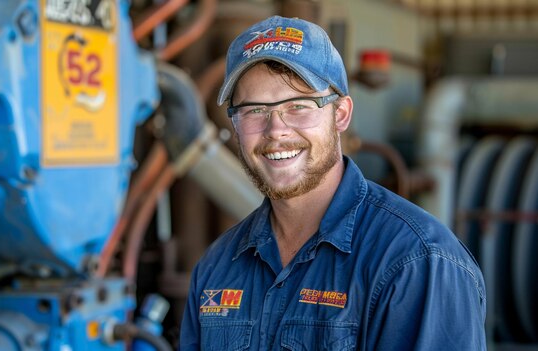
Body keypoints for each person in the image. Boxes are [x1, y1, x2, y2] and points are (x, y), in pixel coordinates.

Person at [180, 16, 486, 350]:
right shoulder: (217, 268)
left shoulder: (417, 263)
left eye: (298, 106)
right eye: (254, 111)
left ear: (340, 114)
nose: (276, 131)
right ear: (235, 124)